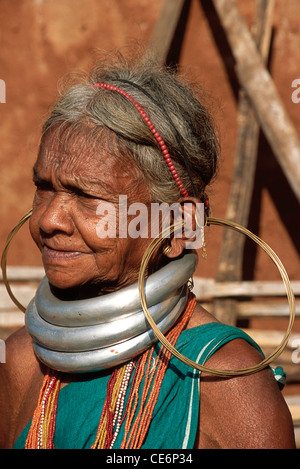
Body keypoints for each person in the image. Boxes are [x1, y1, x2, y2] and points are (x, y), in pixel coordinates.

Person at [0, 57, 296, 449]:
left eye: (88, 197)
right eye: (44, 187)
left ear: (178, 227)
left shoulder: (225, 383)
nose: (49, 219)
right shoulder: (24, 361)